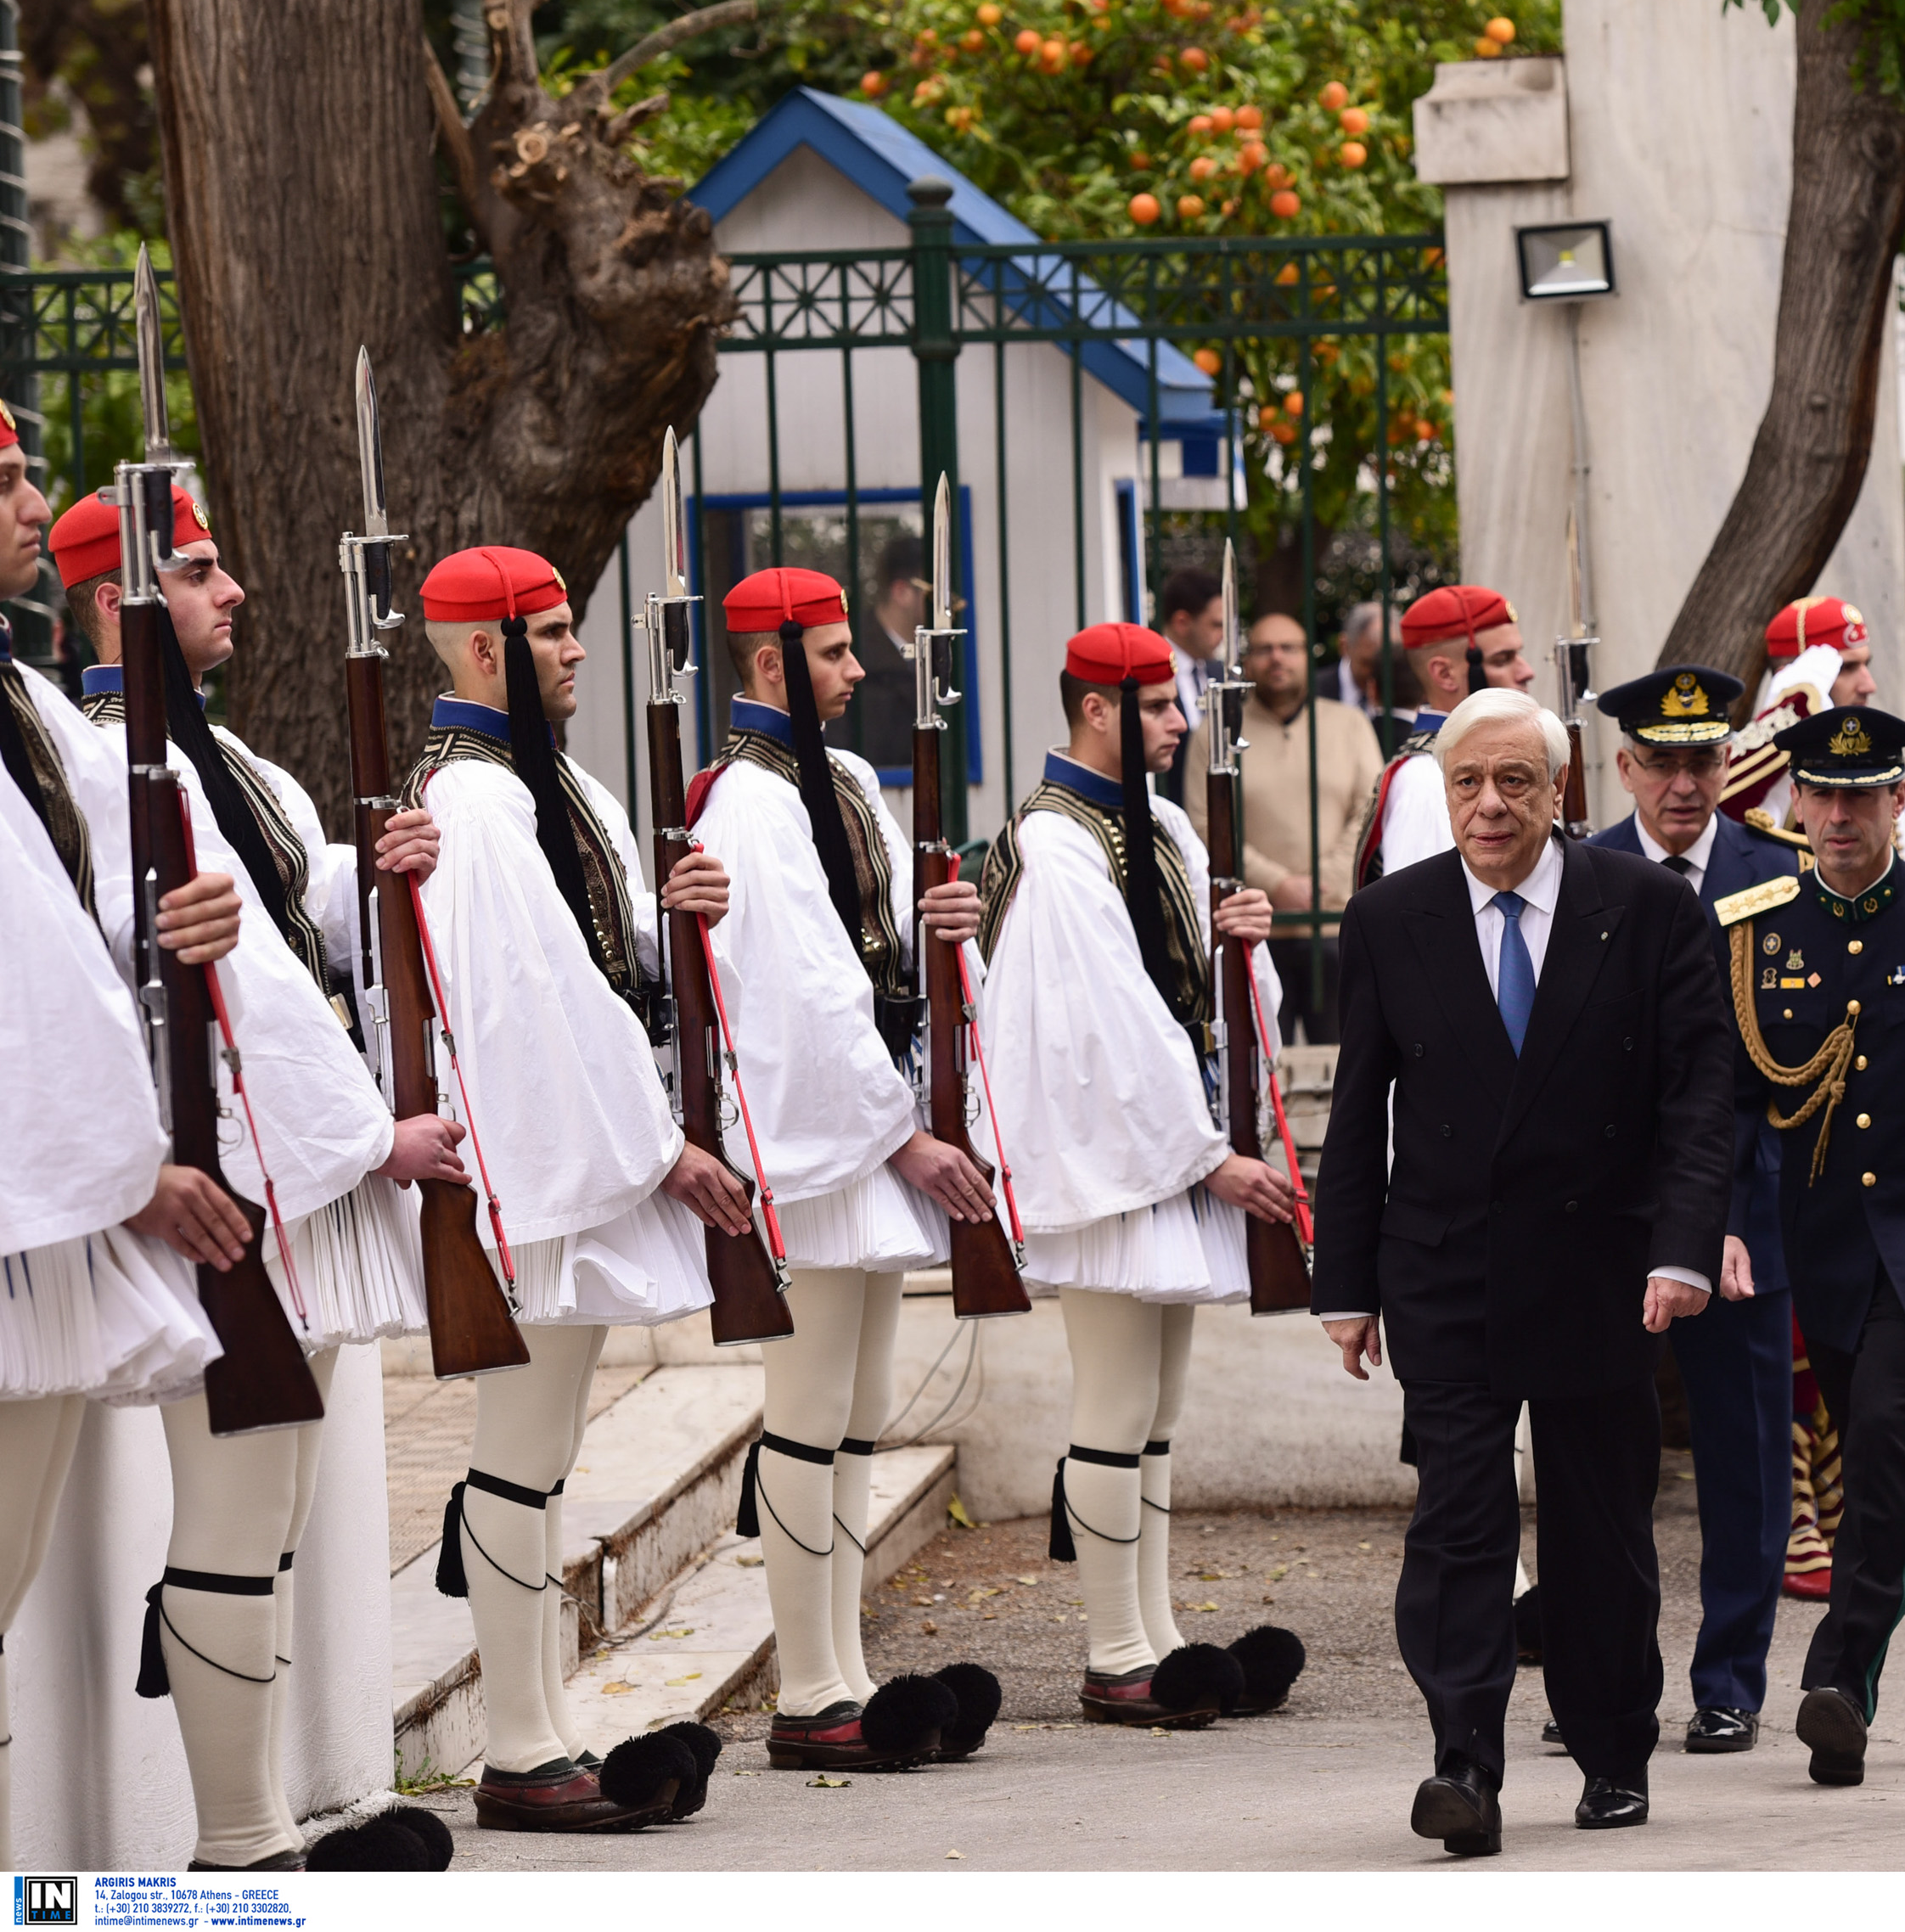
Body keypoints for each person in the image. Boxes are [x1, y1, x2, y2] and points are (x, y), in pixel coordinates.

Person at [52, 489, 473, 1867]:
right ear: (117, 593)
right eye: (196, 567)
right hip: (230, 1181)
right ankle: (240, 1847)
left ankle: (270, 1818)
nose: (231, 587)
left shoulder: (214, 753)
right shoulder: (118, 760)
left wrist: (382, 867)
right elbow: (241, 993)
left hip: (277, 1184)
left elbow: (293, 914)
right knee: (235, 1510)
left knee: (275, 1511)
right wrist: (370, 1140)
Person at [1313, 684, 1732, 1855]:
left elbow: (1702, 1098)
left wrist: (1684, 1242)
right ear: (1440, 794)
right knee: (1457, 1517)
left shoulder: (1643, 907)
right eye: (1467, 783)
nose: (1489, 806)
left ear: (1563, 792)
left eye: (1514, 782)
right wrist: (1346, 1284)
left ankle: (1612, 1744)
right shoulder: (1393, 919)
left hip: (1603, 1260)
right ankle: (1463, 1757)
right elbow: (1360, 1115)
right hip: (1445, 1264)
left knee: (1600, 1522)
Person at [405, 545, 752, 1834]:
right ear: (485, 651)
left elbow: (609, 956)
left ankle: (540, 1727)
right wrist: (663, 1149)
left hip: (572, 1153)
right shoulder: (484, 802)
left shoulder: (546, 787)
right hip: (539, 1161)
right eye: (552, 632)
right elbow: (541, 998)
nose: (579, 649)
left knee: (544, 1457)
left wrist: (683, 908)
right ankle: (517, 1743)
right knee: (518, 1455)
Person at [693, 566, 1004, 1770]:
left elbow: (874, 961)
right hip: (825, 1140)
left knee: (860, 1416)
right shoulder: (751, 806)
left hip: (867, 1131)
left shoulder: (846, 788)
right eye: (832, 654)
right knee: (812, 1411)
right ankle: (806, 1683)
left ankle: (849, 1668)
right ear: (774, 669)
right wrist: (902, 1131)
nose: (858, 670)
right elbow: (803, 991)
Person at [968, 621, 1305, 1731]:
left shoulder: (1152, 820)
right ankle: (1116, 1650)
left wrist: (1238, 939)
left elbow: (1179, 987)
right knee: (1114, 1400)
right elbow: (1105, 1020)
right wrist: (1212, 1156)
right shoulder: (1058, 843)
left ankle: (1157, 1635)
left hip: (1157, 1150)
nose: (1181, 725)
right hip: (1113, 1156)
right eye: (1162, 707)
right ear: (1097, 709)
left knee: (1155, 1404)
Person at [0, 415, 243, 1870]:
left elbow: (73, 928)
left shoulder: (21, 697)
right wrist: (128, 1165)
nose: (36, 499)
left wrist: (168, 924)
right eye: (12, 481)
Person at [1722, 704, 1905, 1786]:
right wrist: (1730, 1223)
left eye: (1863, 794)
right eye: (1821, 794)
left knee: (1885, 1438)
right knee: (1898, 1466)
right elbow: (1735, 1103)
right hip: (1821, 1243)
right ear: (1796, 799)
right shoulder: (1756, 930)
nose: (1840, 814)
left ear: (1898, 798)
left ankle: (1842, 1678)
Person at [1588, 664, 1801, 1755]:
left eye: (1702, 759)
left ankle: (1731, 1677)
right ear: (1624, 766)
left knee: (1744, 1443)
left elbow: (1794, 1064)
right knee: (1602, 1448)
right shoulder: (1580, 874)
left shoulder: (1778, 870)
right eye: (1662, 762)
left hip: (1747, 1196)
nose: (1684, 782)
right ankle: (1611, 1677)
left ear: (1730, 761)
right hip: (1611, 1202)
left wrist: (1714, 1206)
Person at [1192, 609, 1378, 1041]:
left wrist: (1323, 881)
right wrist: (1278, 883)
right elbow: (1204, 823)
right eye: (1264, 649)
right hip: (1254, 929)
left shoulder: (1348, 724)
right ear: (1247, 660)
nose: (1277, 658)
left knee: (1343, 1067)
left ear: (1307, 656)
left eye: (1288, 648)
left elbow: (1368, 811)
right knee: (1259, 1068)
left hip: (1335, 924)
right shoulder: (1216, 732)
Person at [1351, 582, 1531, 882]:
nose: (1526, 671)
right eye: (1503, 659)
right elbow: (1419, 915)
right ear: (1445, 674)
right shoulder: (1426, 779)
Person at [1750, 597, 1905, 864]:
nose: (1869, 685)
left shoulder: (1883, 770)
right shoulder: (1750, 773)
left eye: (1867, 665)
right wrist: (1794, 707)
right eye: (1846, 668)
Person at [838, 533, 926, 772]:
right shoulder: (853, 657)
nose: (949, 604)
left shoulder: (937, 654)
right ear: (902, 592)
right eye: (935, 591)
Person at [1160, 564, 1225, 727]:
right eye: (1216, 625)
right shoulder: (1150, 674)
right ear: (1182, 623)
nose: (1223, 635)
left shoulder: (1219, 673)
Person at [1329, 598, 1389, 717]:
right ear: (1344, 646)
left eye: (1387, 663)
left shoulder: (1409, 692)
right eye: (1368, 663)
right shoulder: (1311, 693)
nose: (1378, 672)